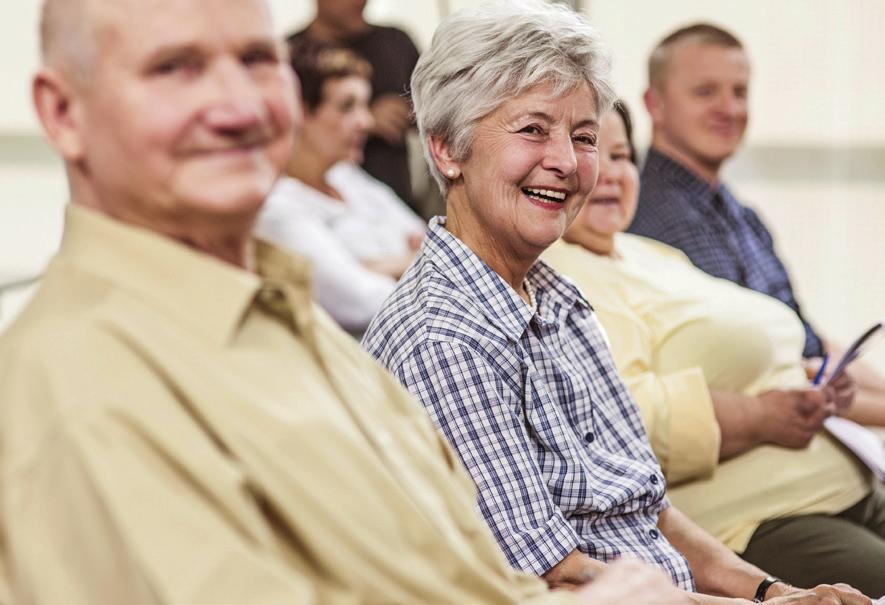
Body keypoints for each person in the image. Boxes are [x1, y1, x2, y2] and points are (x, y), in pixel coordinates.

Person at [0, 0, 693, 603]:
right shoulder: (79, 379)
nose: (238, 105)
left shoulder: (295, 326)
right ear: (63, 114)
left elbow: (468, 577)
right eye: (174, 67)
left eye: (255, 60)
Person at [363, 1, 871, 603]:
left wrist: (770, 592)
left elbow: (649, 509)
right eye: (532, 129)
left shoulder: (558, 301)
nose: (567, 162)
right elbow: (557, 576)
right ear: (447, 148)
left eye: (583, 137)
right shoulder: (442, 338)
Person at [543, 101, 885, 596]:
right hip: (754, 522)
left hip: (846, 486)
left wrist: (808, 380)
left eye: (621, 155)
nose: (612, 174)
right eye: (592, 152)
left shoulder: (651, 254)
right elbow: (615, 425)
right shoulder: (562, 275)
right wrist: (756, 416)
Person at [629, 22, 885, 425]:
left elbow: (810, 344)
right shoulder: (651, 217)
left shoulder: (741, 215)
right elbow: (767, 373)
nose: (729, 109)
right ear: (655, 104)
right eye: (705, 92)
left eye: (739, 92)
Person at [255, 38, 424, 334]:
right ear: (299, 112)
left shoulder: (346, 177)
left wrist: (374, 265)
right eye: (347, 106)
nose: (365, 121)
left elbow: (435, 241)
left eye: (365, 105)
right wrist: (411, 260)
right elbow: (361, 302)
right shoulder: (276, 208)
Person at [289, 0, 420, 210]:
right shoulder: (290, 54)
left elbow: (437, 114)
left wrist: (413, 112)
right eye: (347, 106)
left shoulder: (395, 43)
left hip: (396, 199)